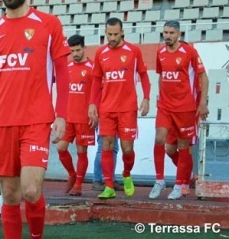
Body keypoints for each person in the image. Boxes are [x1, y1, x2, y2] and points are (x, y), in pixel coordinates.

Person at [0, 0, 70, 239]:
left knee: (30, 189)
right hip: (3, 122)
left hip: (37, 120)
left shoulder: (49, 24)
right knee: (11, 195)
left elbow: (62, 72)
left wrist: (61, 114)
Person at [88, 17, 151, 199]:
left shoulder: (133, 51)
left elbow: (144, 76)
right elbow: (96, 80)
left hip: (127, 108)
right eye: (109, 34)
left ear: (122, 31)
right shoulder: (101, 53)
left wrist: (146, 98)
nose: (112, 37)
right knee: (106, 146)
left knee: (127, 148)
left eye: (115, 34)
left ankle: (126, 174)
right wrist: (93, 103)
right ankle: (108, 186)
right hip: (106, 108)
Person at [150, 21, 209, 200]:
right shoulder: (160, 52)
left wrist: (203, 103)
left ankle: (180, 183)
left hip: (185, 107)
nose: (167, 36)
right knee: (161, 140)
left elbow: (203, 77)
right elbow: (161, 77)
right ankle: (160, 180)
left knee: (184, 147)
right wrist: (159, 97)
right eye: (165, 32)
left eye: (171, 33)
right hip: (165, 106)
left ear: (179, 34)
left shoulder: (189, 52)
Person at [56, 35, 95, 196]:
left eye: (78, 50)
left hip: (84, 118)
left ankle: (78, 184)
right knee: (60, 147)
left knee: (81, 152)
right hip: (68, 117)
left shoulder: (93, 68)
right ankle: (72, 174)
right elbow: (62, 92)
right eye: (72, 51)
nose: (75, 53)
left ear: (84, 48)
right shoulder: (68, 67)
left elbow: (98, 92)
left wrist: (95, 112)